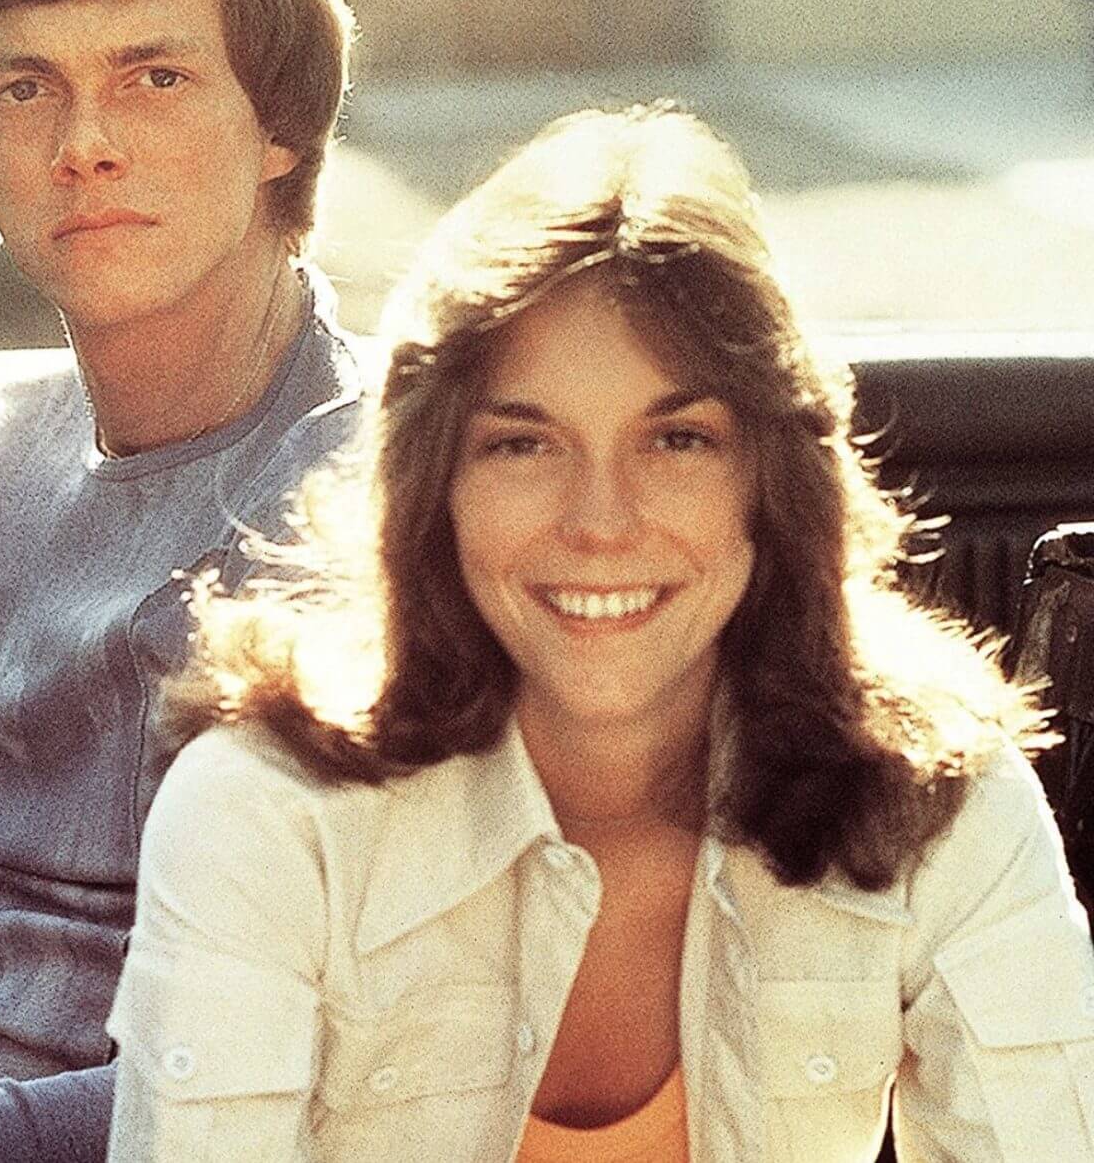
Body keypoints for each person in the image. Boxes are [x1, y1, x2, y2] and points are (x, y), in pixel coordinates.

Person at [107, 104, 1094, 1160]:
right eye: (523, 445)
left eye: (678, 440)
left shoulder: (940, 798)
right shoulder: (263, 816)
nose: (602, 523)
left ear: (770, 480)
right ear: (436, 485)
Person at [0, 0, 359, 1159]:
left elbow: (327, 1067)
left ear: (280, 126)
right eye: (26, 89)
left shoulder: (384, 495)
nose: (85, 143)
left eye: (155, 77)